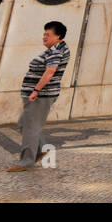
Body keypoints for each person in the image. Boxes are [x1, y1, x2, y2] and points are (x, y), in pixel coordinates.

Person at [7, 21, 71, 172]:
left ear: (58, 36)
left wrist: (36, 90)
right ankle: (42, 149)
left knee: (30, 128)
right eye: (44, 34)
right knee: (24, 124)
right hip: (41, 94)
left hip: (41, 95)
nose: (44, 37)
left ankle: (25, 162)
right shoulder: (56, 48)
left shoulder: (56, 51)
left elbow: (50, 72)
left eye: (48, 35)